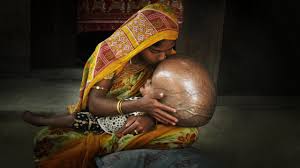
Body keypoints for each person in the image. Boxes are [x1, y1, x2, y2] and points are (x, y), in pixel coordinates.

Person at [24, 4, 200, 168]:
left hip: (139, 119)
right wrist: (139, 105)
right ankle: (109, 146)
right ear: (140, 42)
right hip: (102, 118)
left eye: (168, 50)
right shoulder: (111, 54)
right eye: (155, 51)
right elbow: (94, 105)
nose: (163, 57)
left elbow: (169, 101)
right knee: (49, 140)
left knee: (189, 133)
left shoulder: (165, 60)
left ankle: (108, 148)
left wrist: (149, 118)